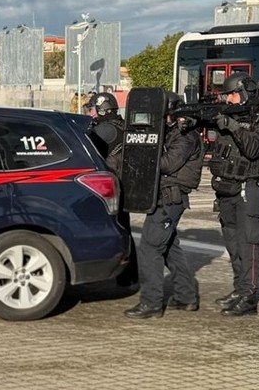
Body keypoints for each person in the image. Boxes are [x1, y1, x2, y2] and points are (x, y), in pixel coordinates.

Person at [124, 92, 203, 319]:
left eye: (165, 115)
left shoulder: (185, 136)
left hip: (170, 199)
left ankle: (151, 304)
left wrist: (140, 153)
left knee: (150, 248)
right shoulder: (171, 133)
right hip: (162, 197)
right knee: (170, 249)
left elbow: (167, 165)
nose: (162, 119)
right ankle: (186, 297)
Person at [209, 71, 259, 317]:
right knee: (232, 240)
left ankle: (250, 296)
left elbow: (254, 148)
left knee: (249, 242)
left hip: (250, 186)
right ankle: (240, 287)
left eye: (232, 95)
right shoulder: (228, 114)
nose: (228, 100)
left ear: (245, 93)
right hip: (228, 187)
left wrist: (233, 126)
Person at [86, 91, 138, 287]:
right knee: (124, 229)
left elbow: (86, 147)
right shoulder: (121, 125)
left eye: (91, 109)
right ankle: (128, 276)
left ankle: (123, 274)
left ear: (101, 109)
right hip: (124, 185)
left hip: (114, 186)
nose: (89, 113)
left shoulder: (106, 129)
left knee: (117, 230)